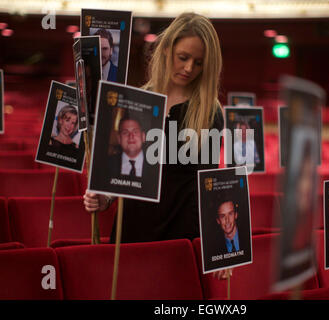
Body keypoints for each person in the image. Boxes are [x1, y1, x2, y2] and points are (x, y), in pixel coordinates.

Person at [84, 12, 231, 278]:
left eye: (198, 63)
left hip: (182, 236)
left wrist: (219, 245)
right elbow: (122, 172)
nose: (189, 69)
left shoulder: (210, 112)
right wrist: (104, 198)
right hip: (134, 229)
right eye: (183, 58)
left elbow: (208, 184)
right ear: (166, 50)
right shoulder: (136, 101)